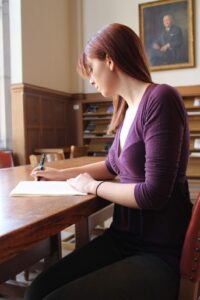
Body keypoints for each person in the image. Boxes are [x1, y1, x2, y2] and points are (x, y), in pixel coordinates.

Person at [25, 23, 192, 300]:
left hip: (158, 250)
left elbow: (153, 194)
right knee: (36, 290)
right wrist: (60, 174)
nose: (90, 80)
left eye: (91, 69)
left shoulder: (161, 99)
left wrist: (93, 187)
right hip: (123, 239)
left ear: (110, 61)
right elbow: (111, 166)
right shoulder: (126, 109)